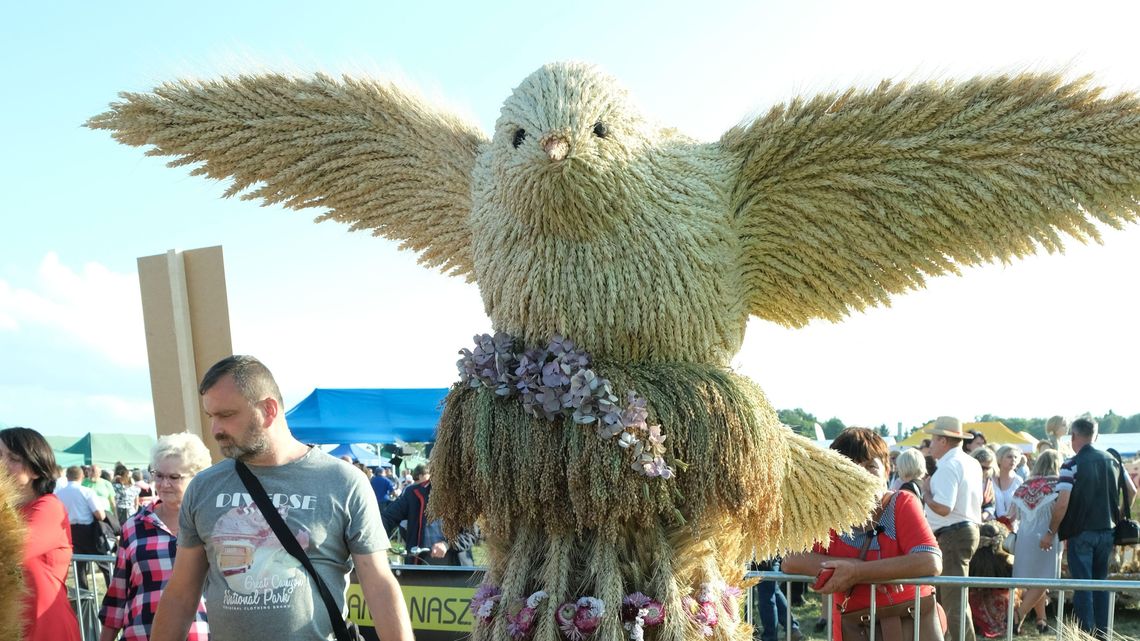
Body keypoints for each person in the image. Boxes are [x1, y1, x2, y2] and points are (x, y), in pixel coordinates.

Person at [151, 355, 414, 641]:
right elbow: (181, 594)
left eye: (226, 415)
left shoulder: (343, 482)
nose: (215, 430)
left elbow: (378, 585)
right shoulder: (203, 488)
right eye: (211, 416)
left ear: (268, 410)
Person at [784, 427, 942, 641]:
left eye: (870, 467)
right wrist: (882, 569)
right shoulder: (827, 513)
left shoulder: (902, 503)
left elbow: (930, 561)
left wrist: (857, 572)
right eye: (850, 468)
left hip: (910, 624)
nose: (861, 476)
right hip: (852, 628)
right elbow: (792, 560)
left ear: (887, 470)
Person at [99, 433, 212, 641]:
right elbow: (117, 595)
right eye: (158, 475)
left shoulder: (212, 526)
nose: (163, 484)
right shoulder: (134, 526)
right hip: (142, 634)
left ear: (197, 477)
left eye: (174, 477)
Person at [1046, 417, 1131, 637]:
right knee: (1100, 583)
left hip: (1080, 532)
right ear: (1096, 435)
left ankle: (1085, 633)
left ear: (1073, 436)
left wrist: (1050, 532)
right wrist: (1118, 515)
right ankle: (1103, 633)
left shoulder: (1070, 465)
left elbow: (1062, 502)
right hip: (1107, 531)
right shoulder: (1113, 460)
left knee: (1083, 586)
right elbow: (1132, 491)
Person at [0, 427, 82, 641]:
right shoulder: (8, 512)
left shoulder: (48, 508)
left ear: (36, 470)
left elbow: (13, 550)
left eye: (13, 458)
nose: (1, 463)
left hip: (47, 628)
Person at [922, 416, 982, 641]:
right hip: (963, 531)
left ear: (943, 440)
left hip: (953, 535)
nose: (931, 445)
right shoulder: (970, 462)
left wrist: (926, 493)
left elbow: (944, 507)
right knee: (957, 598)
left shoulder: (949, 465)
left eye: (933, 440)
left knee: (953, 602)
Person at [1008, 450, 1063, 635]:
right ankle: (1019, 614)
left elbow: (1012, 514)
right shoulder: (1058, 484)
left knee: (1035, 580)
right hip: (1048, 533)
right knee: (1044, 578)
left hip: (1025, 535)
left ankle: (1041, 620)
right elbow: (1061, 509)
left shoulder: (1024, 485)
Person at [381, 464, 479, 566]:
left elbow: (471, 533)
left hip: (456, 563)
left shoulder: (462, 496)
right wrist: (375, 543)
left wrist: (447, 544)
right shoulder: (413, 493)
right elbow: (388, 517)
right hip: (421, 562)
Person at [55, 463, 111, 589]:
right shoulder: (86, 491)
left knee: (79, 566)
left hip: (70, 531)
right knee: (104, 563)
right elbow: (100, 515)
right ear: (81, 476)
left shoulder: (59, 494)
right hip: (88, 530)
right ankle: (112, 591)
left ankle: (84, 596)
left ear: (67, 477)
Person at [991, 445, 1023, 523]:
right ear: (1000, 459)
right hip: (991, 525)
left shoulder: (1018, 481)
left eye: (1016, 457)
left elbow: (1022, 507)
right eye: (1009, 457)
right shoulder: (990, 479)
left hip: (1012, 526)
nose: (1013, 460)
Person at [971, 447, 997, 522]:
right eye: (982, 467)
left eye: (988, 468)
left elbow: (990, 504)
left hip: (981, 521)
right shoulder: (965, 478)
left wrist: (984, 515)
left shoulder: (988, 482)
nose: (985, 471)